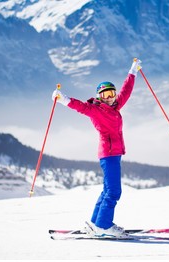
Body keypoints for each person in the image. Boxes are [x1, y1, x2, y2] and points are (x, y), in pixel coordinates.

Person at [52, 58, 142, 237]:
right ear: (99, 97)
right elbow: (81, 107)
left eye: (112, 94)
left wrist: (133, 72)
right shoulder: (96, 110)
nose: (109, 98)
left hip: (113, 154)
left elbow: (126, 91)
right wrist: (64, 99)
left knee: (107, 190)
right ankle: (104, 226)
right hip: (109, 154)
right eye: (105, 95)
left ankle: (95, 223)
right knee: (114, 191)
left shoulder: (115, 107)